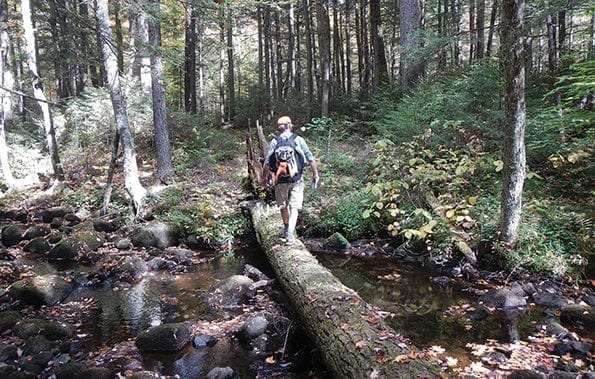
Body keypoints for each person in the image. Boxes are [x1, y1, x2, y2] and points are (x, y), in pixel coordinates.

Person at [264, 116, 319, 244]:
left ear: (279, 127)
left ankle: (286, 228)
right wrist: (315, 174)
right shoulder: (298, 140)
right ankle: (289, 235)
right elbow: (310, 158)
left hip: (280, 180)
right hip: (297, 179)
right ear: (290, 125)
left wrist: (264, 177)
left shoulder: (274, 141)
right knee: (294, 208)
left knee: (283, 206)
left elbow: (267, 162)